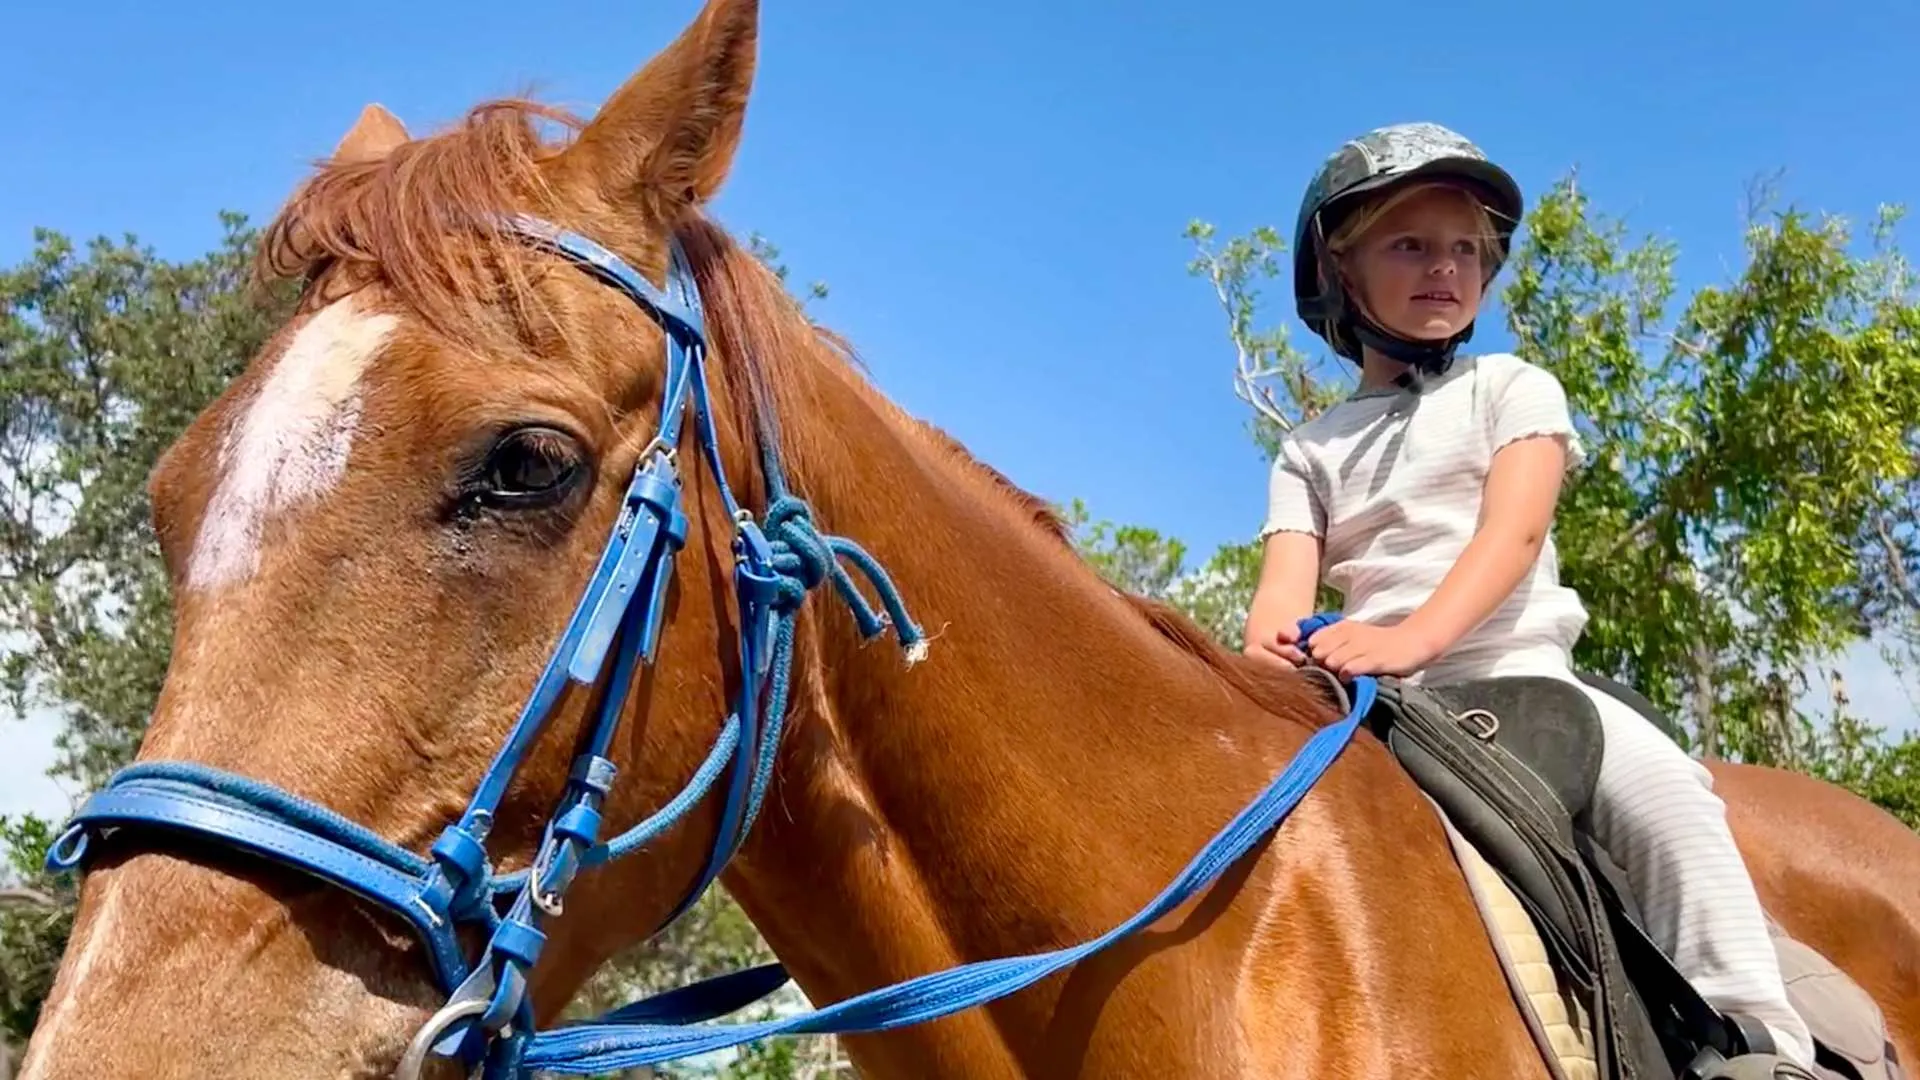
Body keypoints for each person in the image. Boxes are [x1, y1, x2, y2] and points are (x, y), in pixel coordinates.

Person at [1241, 121, 1816, 1074]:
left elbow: (1510, 538)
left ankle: (1762, 1042)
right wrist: (1277, 652)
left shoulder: (1513, 388)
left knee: (1668, 798)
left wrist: (1409, 637)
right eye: (1410, 244)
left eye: (1465, 250)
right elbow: (1277, 602)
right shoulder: (1309, 450)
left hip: (1526, 682)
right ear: (1340, 271)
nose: (1445, 267)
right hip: (1376, 704)